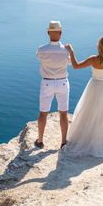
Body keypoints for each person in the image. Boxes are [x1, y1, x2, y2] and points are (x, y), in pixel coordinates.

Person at [35, 21, 71, 149]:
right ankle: (63, 142)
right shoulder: (66, 50)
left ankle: (40, 141)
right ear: (60, 33)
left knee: (43, 113)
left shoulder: (41, 49)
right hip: (62, 82)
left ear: (48, 33)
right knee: (63, 113)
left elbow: (39, 58)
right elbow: (71, 63)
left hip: (47, 82)